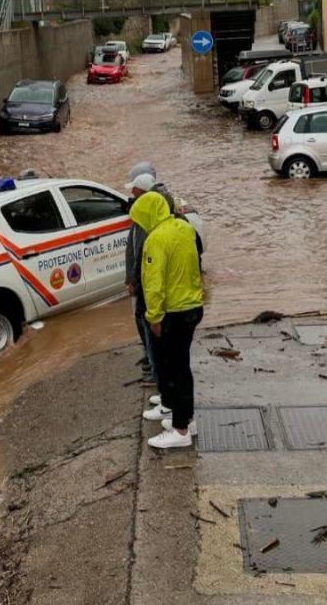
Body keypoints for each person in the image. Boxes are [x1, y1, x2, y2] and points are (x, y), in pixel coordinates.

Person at [134, 191, 204, 449]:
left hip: (172, 313)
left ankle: (180, 430)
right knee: (182, 367)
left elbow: (153, 284)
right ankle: (186, 417)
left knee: (173, 370)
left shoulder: (155, 239)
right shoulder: (184, 228)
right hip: (192, 306)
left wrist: (154, 317)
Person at [124, 164, 174, 381]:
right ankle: (154, 364)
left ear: (143, 192)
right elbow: (132, 247)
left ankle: (158, 372)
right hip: (143, 280)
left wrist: (133, 279)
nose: (131, 194)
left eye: (133, 191)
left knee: (150, 322)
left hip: (146, 281)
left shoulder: (149, 215)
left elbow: (143, 253)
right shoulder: (146, 211)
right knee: (146, 321)